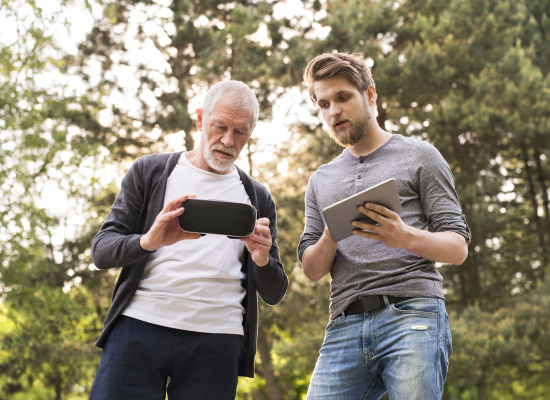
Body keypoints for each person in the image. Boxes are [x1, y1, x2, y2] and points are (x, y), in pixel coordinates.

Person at [89, 81, 288, 400]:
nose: (228, 140)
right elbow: (102, 250)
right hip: (139, 327)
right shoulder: (150, 172)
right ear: (199, 119)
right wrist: (148, 241)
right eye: (220, 126)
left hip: (217, 339)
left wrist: (262, 259)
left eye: (240, 132)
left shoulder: (257, 197)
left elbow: (275, 291)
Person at [298, 53, 471, 400]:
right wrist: (331, 235)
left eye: (343, 97)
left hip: (413, 315)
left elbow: (458, 248)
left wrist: (404, 236)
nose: (333, 111)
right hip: (343, 325)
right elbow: (312, 269)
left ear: (371, 95)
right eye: (324, 104)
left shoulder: (420, 155)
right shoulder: (321, 180)